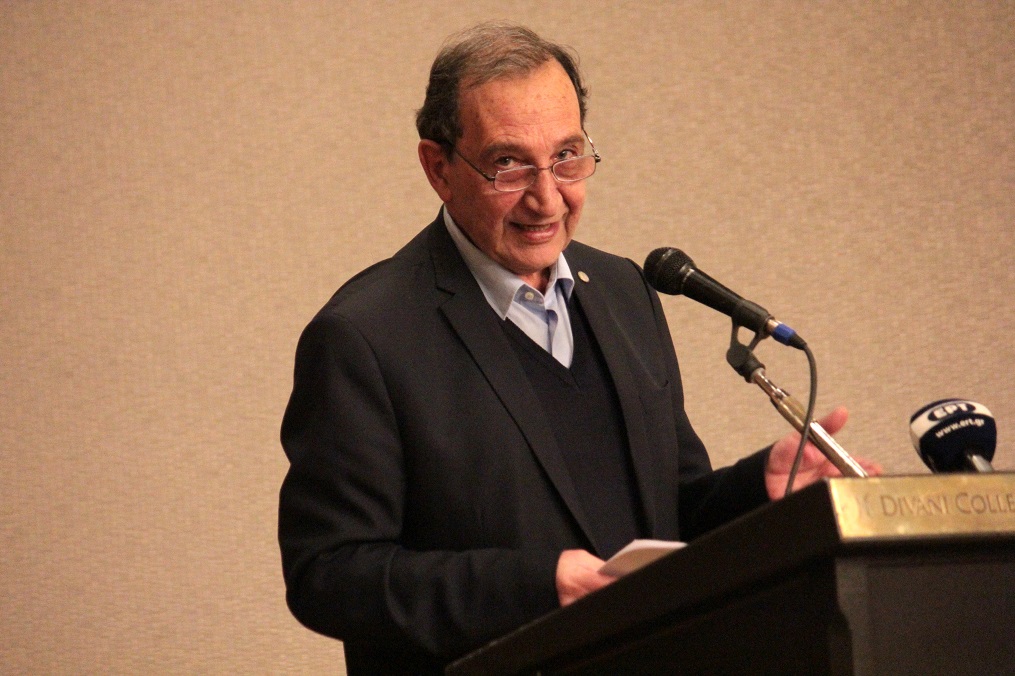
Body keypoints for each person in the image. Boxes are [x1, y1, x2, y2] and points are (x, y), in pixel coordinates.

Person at [278, 22, 878, 675]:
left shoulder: (623, 291)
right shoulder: (365, 336)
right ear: (438, 168)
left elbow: (666, 513)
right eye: (508, 164)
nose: (547, 198)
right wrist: (536, 588)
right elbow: (329, 574)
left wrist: (757, 488)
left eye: (566, 156)